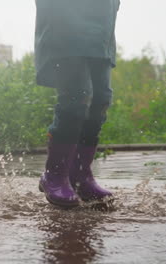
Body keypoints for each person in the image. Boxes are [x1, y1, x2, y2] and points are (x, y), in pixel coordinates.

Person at [35, 0, 120, 208]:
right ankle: (54, 174)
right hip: (66, 20)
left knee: (101, 99)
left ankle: (80, 176)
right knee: (76, 96)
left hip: (102, 21)